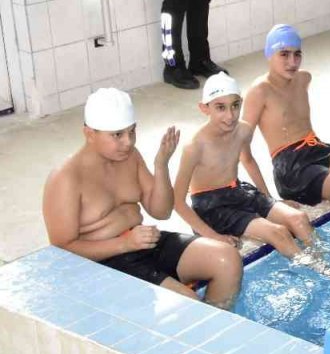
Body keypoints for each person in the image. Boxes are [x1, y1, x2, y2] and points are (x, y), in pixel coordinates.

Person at [42, 88, 243, 307]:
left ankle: (217, 325)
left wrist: (161, 165)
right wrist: (124, 244)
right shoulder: (65, 178)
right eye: (117, 135)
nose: (128, 142)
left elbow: (161, 211)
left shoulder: (130, 156)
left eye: (132, 131)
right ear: (89, 134)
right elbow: (61, 248)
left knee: (228, 260)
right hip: (105, 261)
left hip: (141, 244)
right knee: (189, 303)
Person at [172, 73, 315, 259]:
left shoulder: (243, 130)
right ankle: (329, 274)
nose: (230, 116)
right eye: (220, 108)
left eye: (235, 106)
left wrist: (270, 199)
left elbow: (248, 160)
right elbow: (177, 202)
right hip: (212, 207)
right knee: (278, 232)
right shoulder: (194, 147)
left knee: (299, 218)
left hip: (239, 192)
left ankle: (329, 261)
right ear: (204, 108)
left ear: (241, 102)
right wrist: (214, 236)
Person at [242, 24, 330, 220]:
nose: (292, 62)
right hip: (292, 167)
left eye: (297, 54)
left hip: (316, 148)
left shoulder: (303, 79)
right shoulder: (260, 92)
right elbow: (243, 153)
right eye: (284, 54)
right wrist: (268, 201)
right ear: (269, 54)